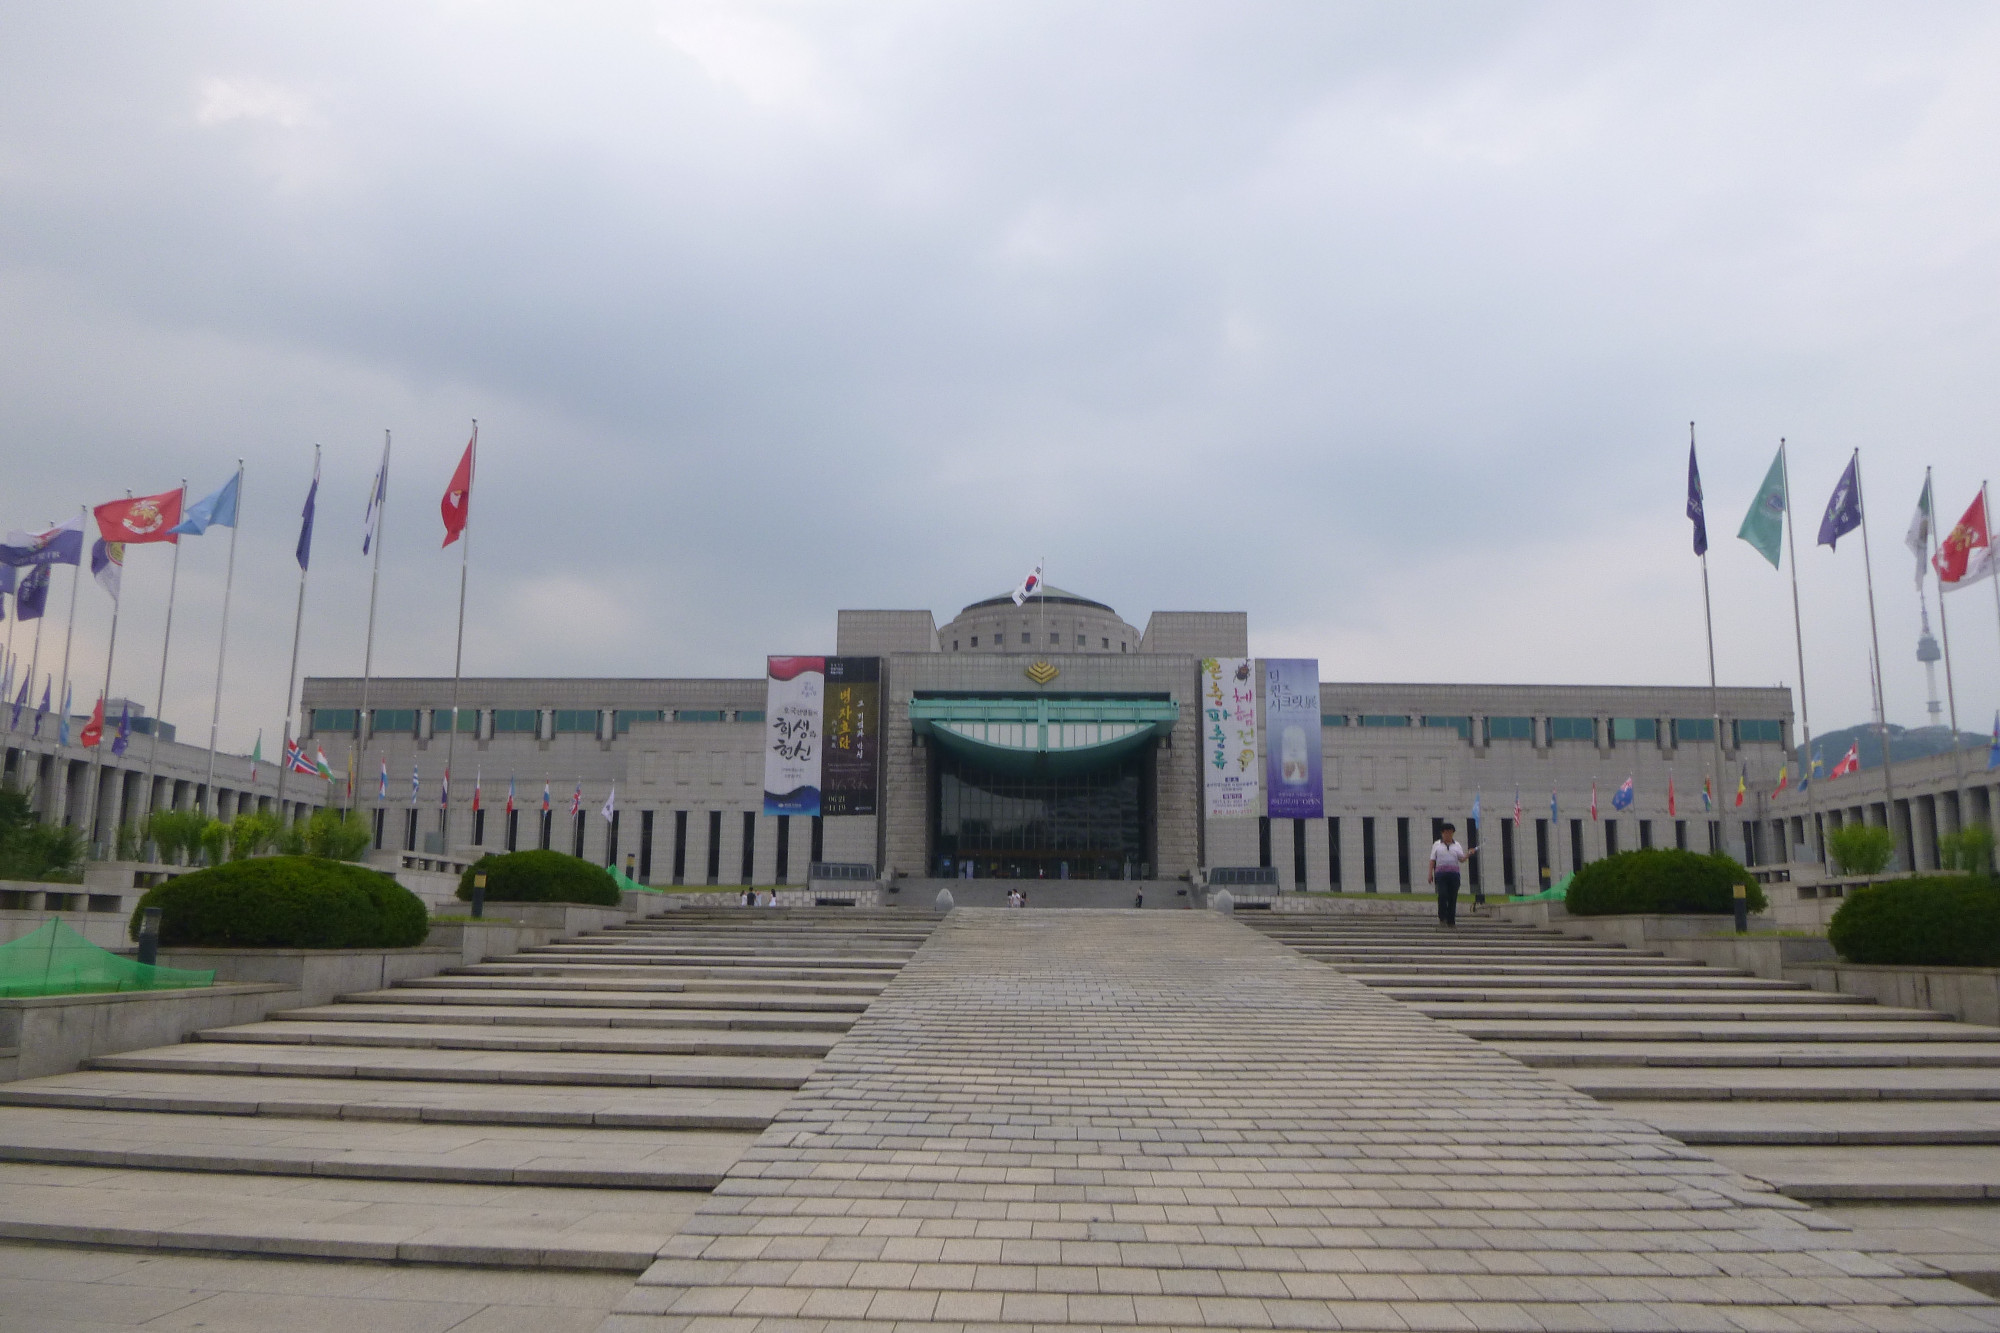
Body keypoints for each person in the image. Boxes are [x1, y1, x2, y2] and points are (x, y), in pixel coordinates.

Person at [1428, 822, 1477, 927]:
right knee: (1442, 895)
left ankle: (1451, 920)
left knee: (1452, 897)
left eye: (1450, 833)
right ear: (1442, 833)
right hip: (1441, 874)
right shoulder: (1437, 845)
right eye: (1446, 833)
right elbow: (1432, 860)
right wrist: (1430, 874)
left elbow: (1461, 859)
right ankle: (1442, 916)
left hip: (1454, 875)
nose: (1448, 835)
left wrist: (1469, 854)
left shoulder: (1457, 845)